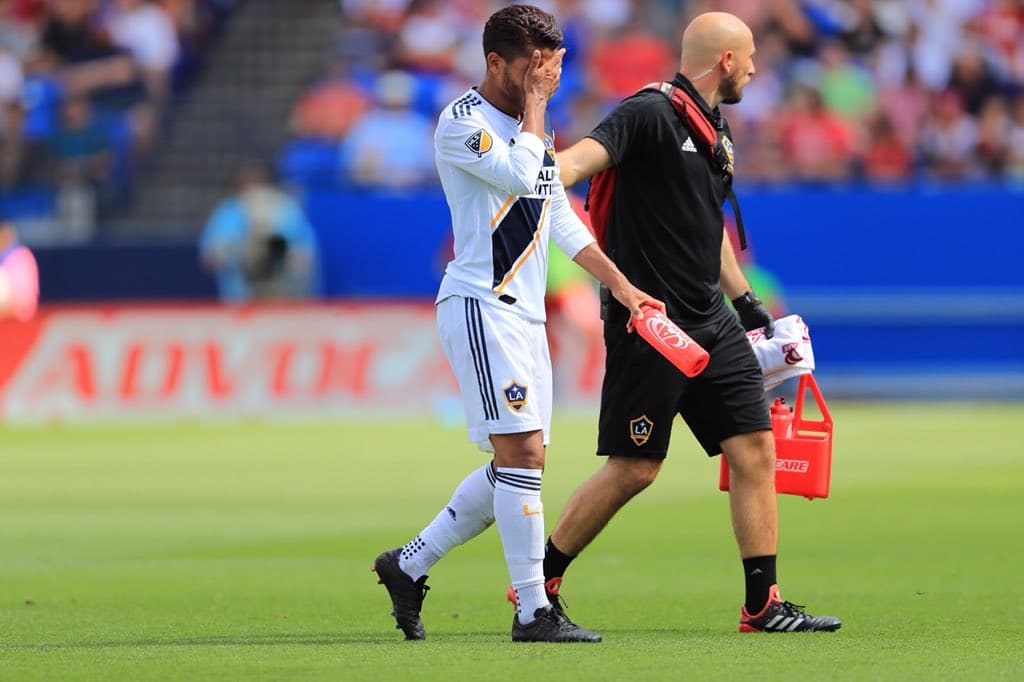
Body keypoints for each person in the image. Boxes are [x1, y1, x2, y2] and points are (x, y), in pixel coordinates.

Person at [536, 11, 841, 633]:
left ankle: (763, 604)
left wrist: (746, 302)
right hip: (652, 325)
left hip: (711, 318)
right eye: (748, 56)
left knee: (755, 446)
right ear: (725, 60)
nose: (754, 68)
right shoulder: (648, 113)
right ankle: (536, 583)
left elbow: (710, 228)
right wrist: (539, 159)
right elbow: (574, 164)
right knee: (635, 468)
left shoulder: (714, 129)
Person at [372, 4, 662, 643]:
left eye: (550, 68)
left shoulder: (535, 126)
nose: (544, 79)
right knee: (522, 454)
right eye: (533, 68)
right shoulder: (461, 122)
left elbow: (555, 212)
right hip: (481, 304)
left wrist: (619, 285)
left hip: (527, 316)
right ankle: (534, 610)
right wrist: (536, 106)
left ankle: (408, 564)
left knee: (519, 464)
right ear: (495, 61)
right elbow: (519, 173)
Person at [199, 161, 319, 302]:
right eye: (247, 183)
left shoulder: (286, 209)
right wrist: (228, 254)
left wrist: (289, 260)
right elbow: (209, 257)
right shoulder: (227, 212)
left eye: (256, 182)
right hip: (239, 296)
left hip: (283, 295)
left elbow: (307, 250)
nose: (252, 188)